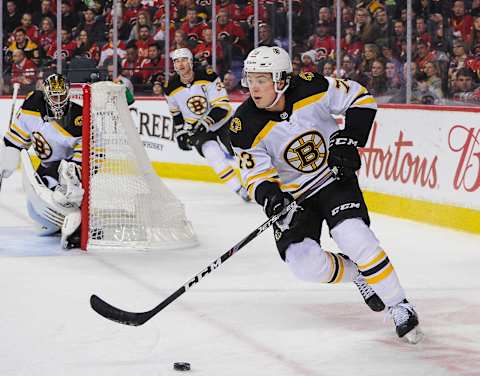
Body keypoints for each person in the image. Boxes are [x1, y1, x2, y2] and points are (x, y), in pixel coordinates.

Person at [229, 46, 423, 344]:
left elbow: (360, 97)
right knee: (304, 263)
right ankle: (359, 274)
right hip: (295, 199)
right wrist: (272, 198)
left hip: (333, 180)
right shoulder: (244, 125)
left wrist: (348, 141)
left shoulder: (312, 86)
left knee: (354, 236)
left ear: (281, 79)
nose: (254, 87)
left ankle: (399, 305)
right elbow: (255, 174)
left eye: (262, 80)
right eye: (250, 79)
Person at [0, 73, 84, 249]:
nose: (59, 100)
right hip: (45, 167)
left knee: (65, 196)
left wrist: (75, 171)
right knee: (39, 217)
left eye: (62, 95)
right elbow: (17, 138)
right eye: (54, 96)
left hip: (66, 168)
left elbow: (86, 149)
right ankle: (60, 220)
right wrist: (8, 153)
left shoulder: (77, 116)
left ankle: (79, 224)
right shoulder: (33, 104)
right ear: (46, 94)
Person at [163, 48, 249, 201]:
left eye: (183, 60)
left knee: (240, 152)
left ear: (190, 61)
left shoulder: (208, 76)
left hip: (223, 122)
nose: (180, 64)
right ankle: (239, 189)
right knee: (212, 154)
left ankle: (255, 182)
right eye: (176, 61)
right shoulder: (170, 87)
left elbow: (222, 107)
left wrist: (205, 123)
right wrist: (180, 132)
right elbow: (176, 113)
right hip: (198, 128)